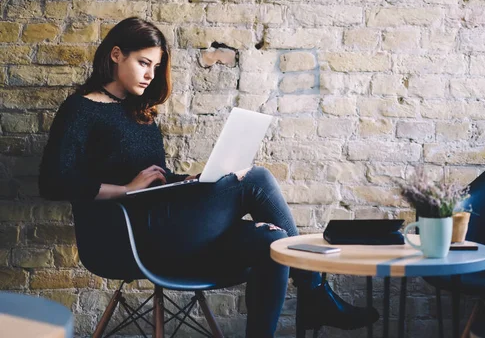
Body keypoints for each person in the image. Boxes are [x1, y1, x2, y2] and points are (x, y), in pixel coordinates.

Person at [38, 17, 378, 337]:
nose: (150, 75)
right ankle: (315, 291)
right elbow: (53, 181)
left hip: (168, 226)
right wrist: (125, 190)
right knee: (255, 179)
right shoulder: (80, 109)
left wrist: (189, 180)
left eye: (155, 68)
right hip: (127, 239)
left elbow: (155, 179)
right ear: (116, 55)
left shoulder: (138, 112)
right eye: (144, 63)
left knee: (269, 239)